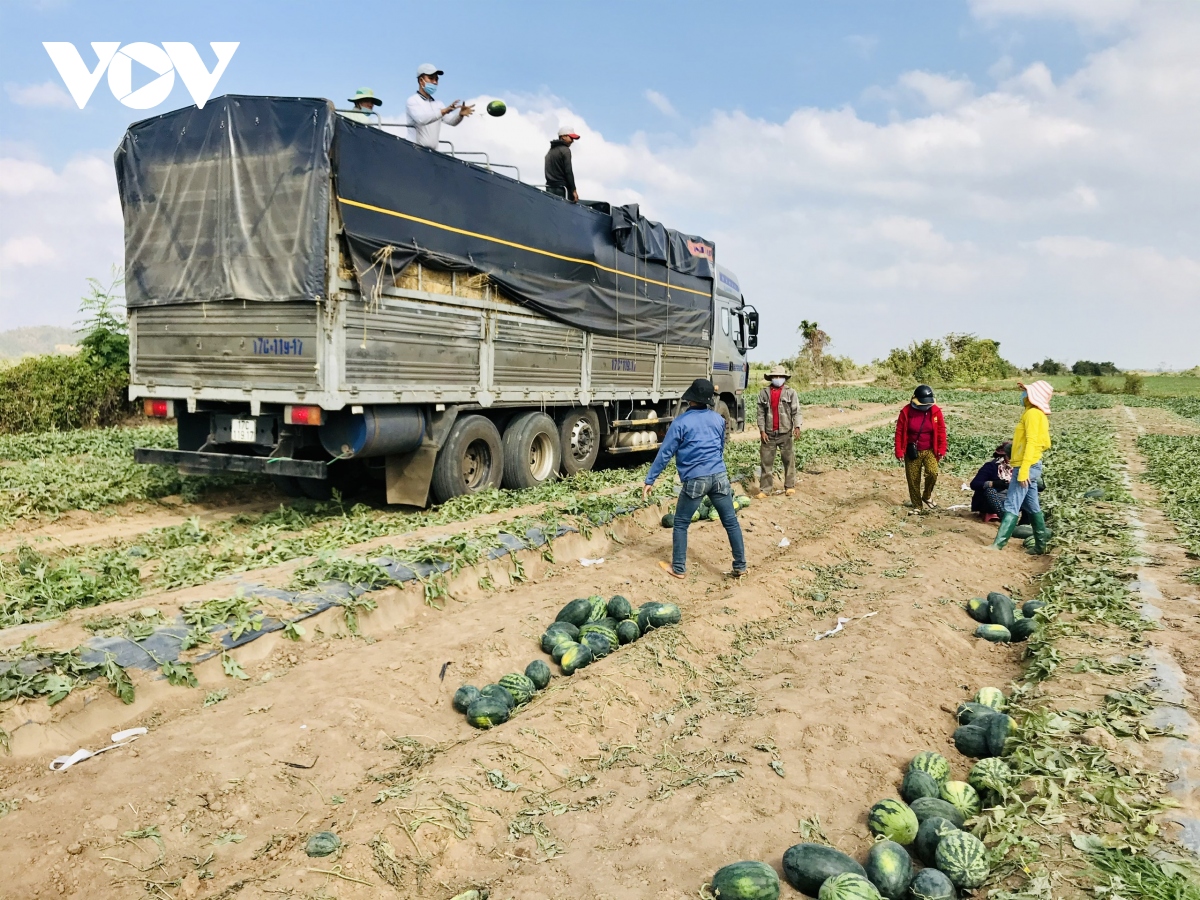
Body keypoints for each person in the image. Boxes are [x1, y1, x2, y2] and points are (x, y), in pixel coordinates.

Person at [642, 378, 747, 579]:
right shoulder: (718, 420)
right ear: (709, 400)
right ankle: (740, 565)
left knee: (681, 523)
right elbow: (720, 447)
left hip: (695, 480)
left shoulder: (681, 422)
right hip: (719, 476)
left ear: (690, 399)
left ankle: (679, 568)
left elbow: (665, 453)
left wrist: (650, 479)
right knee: (731, 522)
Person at [991, 381, 1053, 553]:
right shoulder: (1035, 414)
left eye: (1026, 392)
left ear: (1034, 396)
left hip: (1026, 466)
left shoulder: (1033, 414)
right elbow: (1046, 443)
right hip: (1031, 465)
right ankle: (1040, 546)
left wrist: (1024, 469)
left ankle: (998, 544)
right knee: (1033, 506)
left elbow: (1033, 442)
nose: (1023, 395)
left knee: (1012, 504)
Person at [894, 384, 948, 509]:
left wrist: (941, 448)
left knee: (932, 473)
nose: (926, 406)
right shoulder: (906, 412)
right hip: (912, 450)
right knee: (913, 479)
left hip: (930, 449)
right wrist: (899, 451)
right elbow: (899, 432)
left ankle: (927, 495)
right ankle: (917, 506)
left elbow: (941, 430)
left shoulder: (935, 412)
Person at [755, 365, 802, 498]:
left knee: (788, 460)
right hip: (769, 433)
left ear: (784, 378)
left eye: (780, 376)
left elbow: (796, 411)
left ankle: (789, 486)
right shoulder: (764, 393)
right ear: (771, 378)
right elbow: (760, 414)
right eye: (775, 376)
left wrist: (797, 426)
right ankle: (765, 489)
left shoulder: (791, 392)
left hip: (785, 432)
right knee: (766, 462)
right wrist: (762, 430)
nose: (777, 379)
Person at [406, 63, 473, 149]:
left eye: (436, 79)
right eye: (431, 78)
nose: (434, 82)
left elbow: (452, 122)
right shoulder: (412, 100)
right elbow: (421, 119)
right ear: (421, 80)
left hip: (432, 154)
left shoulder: (438, 104)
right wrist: (444, 111)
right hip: (413, 150)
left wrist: (460, 115)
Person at [970, 442, 1012, 523]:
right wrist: (993, 483)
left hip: (1010, 501)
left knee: (1030, 492)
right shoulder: (991, 466)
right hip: (989, 502)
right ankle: (1005, 519)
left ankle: (1024, 523)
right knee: (990, 491)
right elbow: (974, 484)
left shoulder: (1018, 469)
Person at [544, 126, 580, 202]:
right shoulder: (566, 150)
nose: (572, 141)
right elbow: (568, 171)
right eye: (571, 138)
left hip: (549, 188)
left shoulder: (550, 151)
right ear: (563, 137)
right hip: (562, 189)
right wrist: (573, 190)